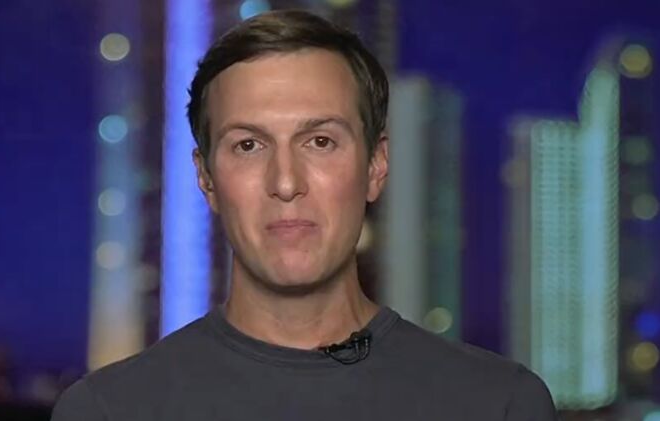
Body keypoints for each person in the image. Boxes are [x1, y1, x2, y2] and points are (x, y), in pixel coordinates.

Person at [51, 9, 556, 421]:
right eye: (248, 145)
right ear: (206, 179)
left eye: (320, 142)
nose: (286, 182)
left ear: (376, 166)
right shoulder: (107, 411)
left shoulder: (499, 405)